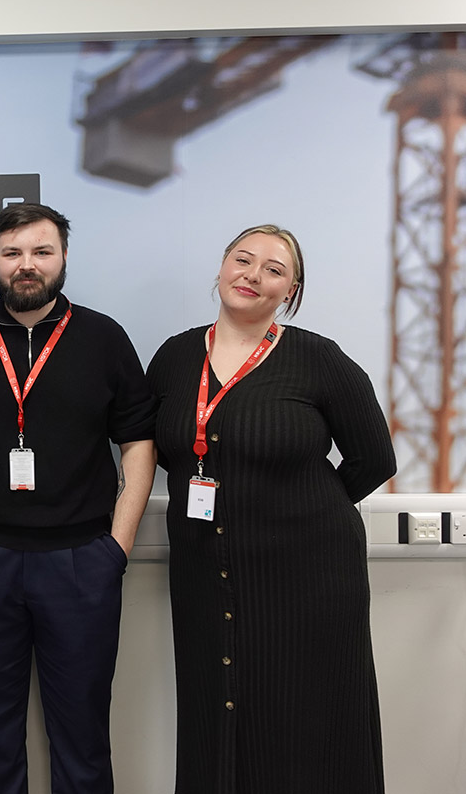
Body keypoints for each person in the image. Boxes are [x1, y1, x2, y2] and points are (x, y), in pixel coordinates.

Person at [0, 202, 157, 794]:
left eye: (41, 252)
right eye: (12, 253)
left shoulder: (104, 337)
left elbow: (138, 444)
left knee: (83, 737)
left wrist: (115, 548)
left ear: (63, 258)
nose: (27, 265)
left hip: (80, 562)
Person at [147, 224, 396, 794]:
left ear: (291, 290)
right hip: (204, 571)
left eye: (273, 270)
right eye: (243, 259)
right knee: (218, 712)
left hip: (310, 576)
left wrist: (294, 509)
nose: (252, 276)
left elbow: (372, 458)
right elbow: (161, 450)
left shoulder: (318, 359)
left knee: (307, 719)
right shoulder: (176, 356)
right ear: (222, 268)